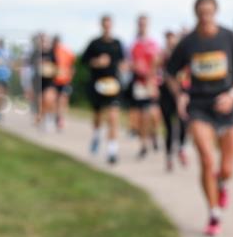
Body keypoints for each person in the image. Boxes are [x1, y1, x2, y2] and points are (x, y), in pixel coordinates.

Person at [166, 0, 233, 236]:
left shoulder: (229, 38)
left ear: (216, 12)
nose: (205, 17)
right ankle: (214, 213)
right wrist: (180, 95)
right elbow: (170, 73)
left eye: (209, 13)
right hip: (199, 107)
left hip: (228, 106)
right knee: (206, 159)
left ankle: (221, 183)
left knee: (227, 168)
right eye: (201, 13)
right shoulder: (188, 42)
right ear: (195, 13)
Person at [82, 15, 127, 164]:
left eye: (109, 24)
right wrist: (97, 62)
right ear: (101, 25)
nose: (107, 27)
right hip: (98, 84)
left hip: (113, 84)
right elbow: (84, 60)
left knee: (113, 117)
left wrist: (125, 68)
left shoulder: (117, 44)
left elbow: (122, 62)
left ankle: (112, 151)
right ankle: (96, 135)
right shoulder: (94, 43)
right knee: (98, 116)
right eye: (105, 24)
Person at [127, 14, 161, 158]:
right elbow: (128, 63)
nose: (142, 26)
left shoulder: (154, 43)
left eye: (144, 23)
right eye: (140, 23)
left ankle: (154, 133)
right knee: (142, 115)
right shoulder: (133, 44)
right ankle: (143, 145)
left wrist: (151, 78)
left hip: (151, 82)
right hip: (139, 83)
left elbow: (158, 62)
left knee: (153, 114)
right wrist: (134, 67)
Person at [158, 30, 189, 172]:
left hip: (181, 94)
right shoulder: (162, 56)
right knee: (169, 128)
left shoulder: (184, 56)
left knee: (183, 123)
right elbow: (154, 71)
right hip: (166, 95)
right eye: (168, 40)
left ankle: (181, 148)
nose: (171, 43)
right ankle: (169, 156)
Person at [52, 35, 77, 131]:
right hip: (53, 81)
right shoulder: (51, 52)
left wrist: (70, 74)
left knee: (63, 100)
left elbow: (72, 66)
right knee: (55, 101)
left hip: (65, 80)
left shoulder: (67, 52)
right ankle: (56, 116)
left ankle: (61, 118)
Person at [36, 34, 58, 130]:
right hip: (39, 81)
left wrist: (50, 69)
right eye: (42, 41)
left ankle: (49, 118)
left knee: (49, 99)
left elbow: (56, 67)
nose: (43, 43)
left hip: (49, 81)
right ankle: (43, 118)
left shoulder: (52, 53)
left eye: (45, 41)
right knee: (41, 102)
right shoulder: (36, 53)